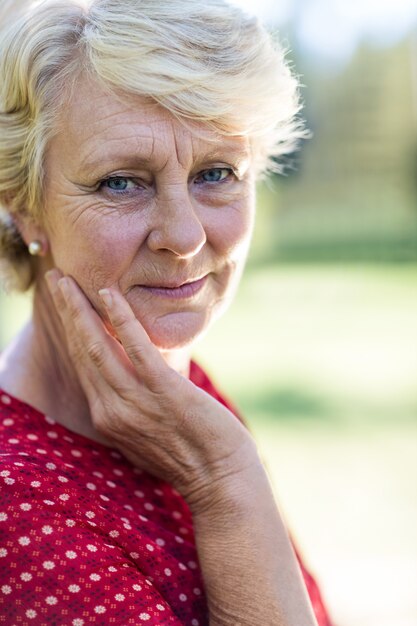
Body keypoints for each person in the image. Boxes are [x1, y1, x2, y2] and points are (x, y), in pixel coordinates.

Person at [0, 0, 334, 624]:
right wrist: (227, 482)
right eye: (121, 182)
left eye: (216, 172)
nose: (183, 235)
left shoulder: (175, 394)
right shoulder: (14, 505)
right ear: (23, 207)